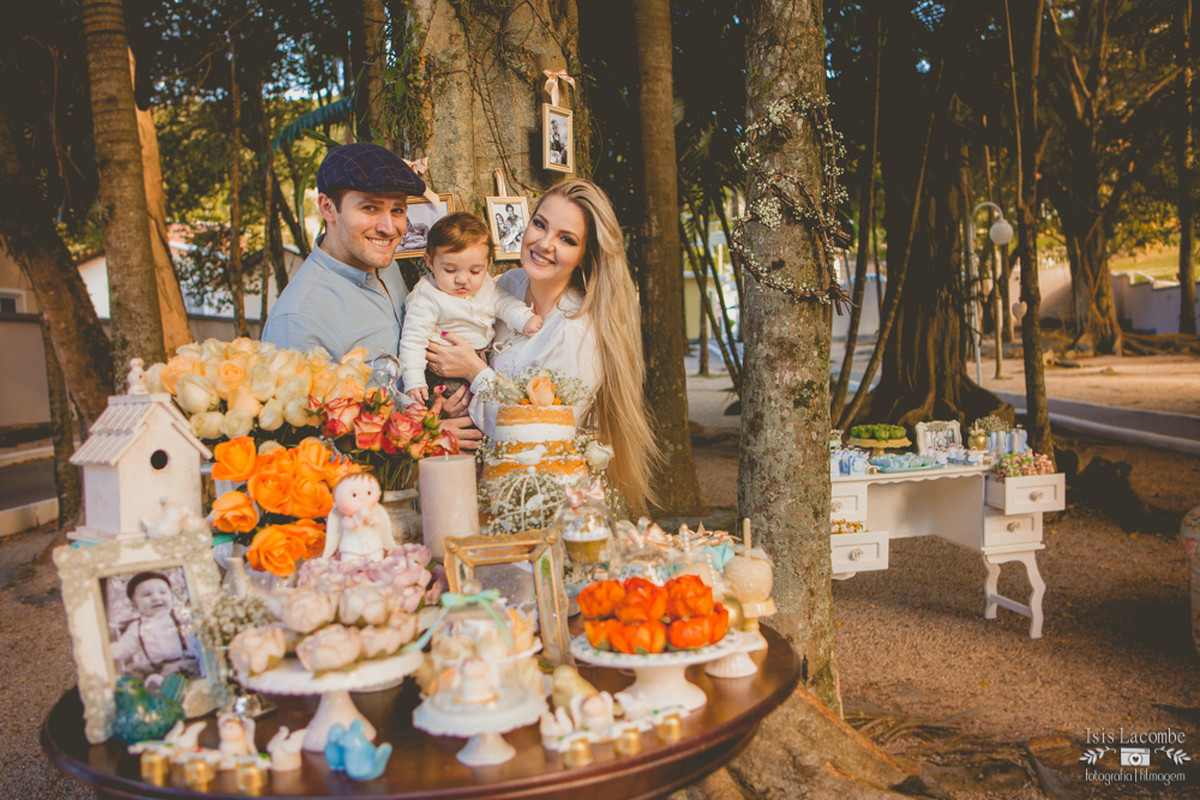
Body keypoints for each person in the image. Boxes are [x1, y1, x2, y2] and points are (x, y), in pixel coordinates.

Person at [424, 179, 658, 513]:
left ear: (583, 255)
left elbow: (543, 434)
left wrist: (474, 372)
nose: (544, 243)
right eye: (539, 224)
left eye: (566, 239)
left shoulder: (577, 330)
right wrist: (454, 405)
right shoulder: (508, 286)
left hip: (547, 499)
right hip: (487, 486)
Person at [261, 143, 422, 361]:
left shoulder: (383, 262)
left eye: (397, 210)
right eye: (370, 208)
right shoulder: (299, 323)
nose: (389, 228)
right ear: (328, 208)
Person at [399, 213, 543, 403]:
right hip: (444, 372)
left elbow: (503, 302)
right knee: (463, 410)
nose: (462, 280)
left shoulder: (486, 286)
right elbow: (412, 341)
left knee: (490, 404)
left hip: (481, 360)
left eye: (475, 271)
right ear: (429, 262)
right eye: (450, 270)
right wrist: (414, 381)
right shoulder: (425, 297)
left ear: (486, 264)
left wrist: (524, 319)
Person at [110, 572, 200, 689]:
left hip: (186, 663)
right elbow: (123, 648)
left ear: (171, 596)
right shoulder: (136, 627)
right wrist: (105, 651)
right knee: (153, 680)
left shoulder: (179, 615)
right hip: (161, 670)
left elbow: (198, 624)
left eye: (163, 592)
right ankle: (157, 688)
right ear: (134, 604)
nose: (157, 598)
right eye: (147, 595)